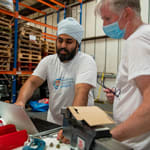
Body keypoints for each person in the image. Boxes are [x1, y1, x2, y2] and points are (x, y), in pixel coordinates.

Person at [15, 17, 97, 142]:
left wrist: (73, 125)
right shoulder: (48, 61)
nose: (63, 46)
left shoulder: (86, 61)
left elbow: (82, 91)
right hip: (52, 125)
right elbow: (32, 82)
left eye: (69, 41)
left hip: (80, 124)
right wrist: (20, 102)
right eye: (60, 40)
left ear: (77, 44)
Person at [95, 0, 150, 149]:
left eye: (107, 19)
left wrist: (107, 138)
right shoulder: (146, 35)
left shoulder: (137, 41)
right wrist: (121, 95)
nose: (105, 26)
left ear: (126, 13)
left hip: (134, 143)